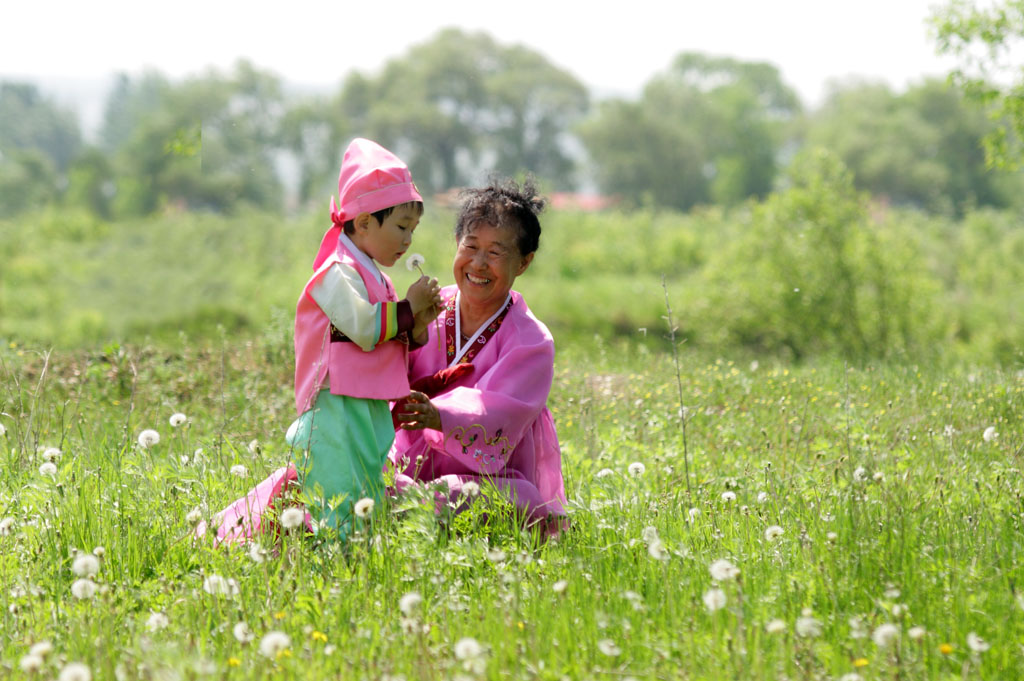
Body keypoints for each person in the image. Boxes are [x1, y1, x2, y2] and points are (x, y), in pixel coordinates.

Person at [202, 138, 440, 544]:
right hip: (336, 404)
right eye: (401, 226)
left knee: (369, 480)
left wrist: (416, 325)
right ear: (363, 223)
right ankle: (334, 556)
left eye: (412, 230)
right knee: (338, 487)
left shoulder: (376, 276)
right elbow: (364, 329)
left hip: (368, 403)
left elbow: (383, 342)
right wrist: (405, 308)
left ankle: (359, 554)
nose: (407, 240)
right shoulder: (336, 272)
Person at [390, 178, 567, 532]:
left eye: (496, 253)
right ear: (456, 244)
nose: (479, 264)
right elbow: (384, 374)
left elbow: (500, 410)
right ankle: (408, 505)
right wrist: (414, 332)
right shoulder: (428, 306)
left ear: (524, 262)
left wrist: (438, 414)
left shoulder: (532, 341)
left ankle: (411, 510)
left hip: (489, 482)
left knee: (502, 499)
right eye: (470, 246)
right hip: (408, 462)